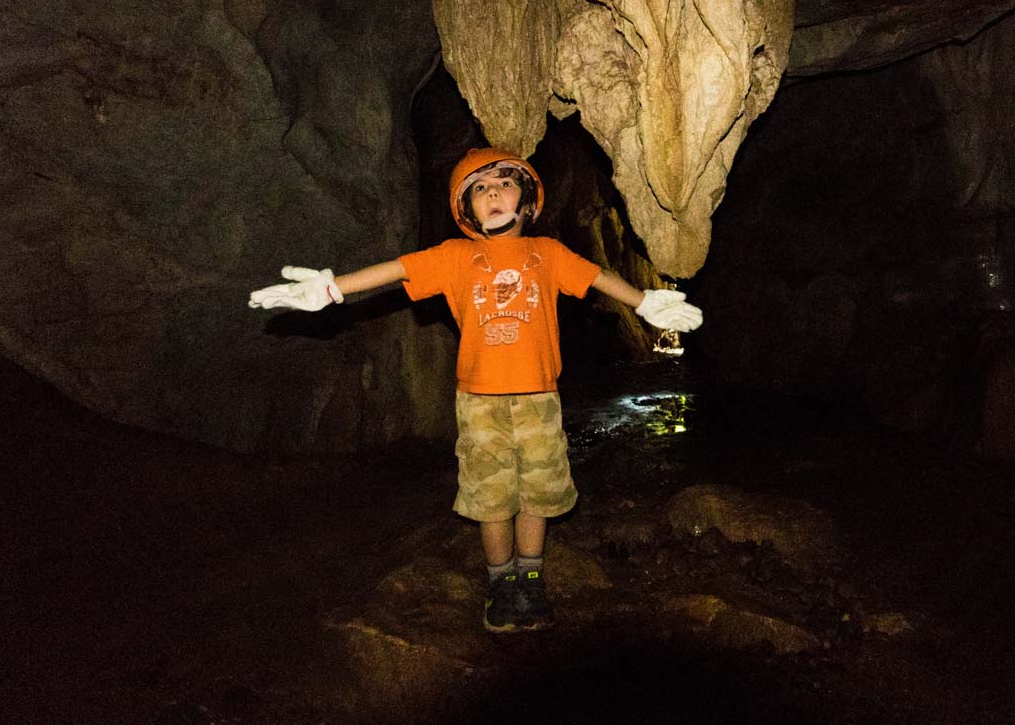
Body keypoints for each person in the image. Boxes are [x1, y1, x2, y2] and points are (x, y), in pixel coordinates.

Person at [249, 147, 702, 632]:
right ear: (466, 210)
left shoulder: (546, 253)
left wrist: (645, 301)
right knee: (491, 497)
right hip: (479, 401)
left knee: (538, 493)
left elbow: (594, 277)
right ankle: (501, 584)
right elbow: (397, 270)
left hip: (539, 397)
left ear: (527, 202)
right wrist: (333, 287)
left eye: (504, 183)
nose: (493, 193)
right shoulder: (455, 257)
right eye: (480, 188)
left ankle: (530, 577)